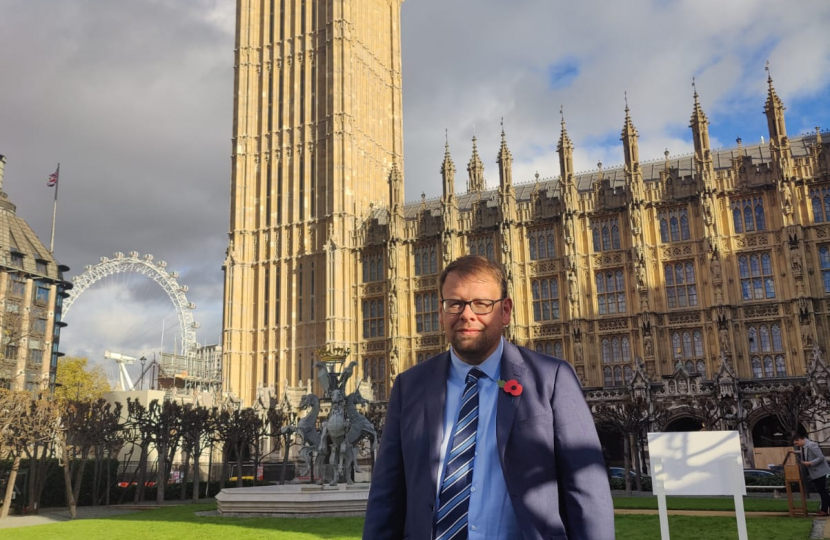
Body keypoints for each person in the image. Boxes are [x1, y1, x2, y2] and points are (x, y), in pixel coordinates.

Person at [364, 255, 614, 540]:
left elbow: (587, 490)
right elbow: (386, 495)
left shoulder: (552, 379)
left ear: (505, 311)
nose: (466, 314)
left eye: (481, 304)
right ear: (441, 312)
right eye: (454, 303)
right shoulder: (409, 386)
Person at [794, 434, 830, 516]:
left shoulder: (811, 445)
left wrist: (810, 463)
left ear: (799, 439)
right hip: (815, 472)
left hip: (820, 471)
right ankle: (824, 509)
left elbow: (821, 457)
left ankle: (824, 510)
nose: (796, 445)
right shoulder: (805, 447)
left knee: (822, 491)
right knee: (821, 490)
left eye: (796, 443)